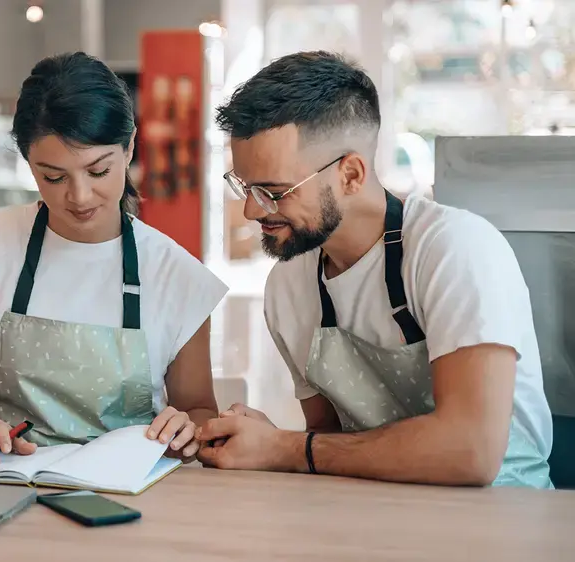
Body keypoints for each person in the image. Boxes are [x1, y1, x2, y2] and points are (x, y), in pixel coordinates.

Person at [196, 51, 553, 489]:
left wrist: (287, 447)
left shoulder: (453, 250)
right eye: (245, 187)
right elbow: (330, 448)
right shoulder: (288, 286)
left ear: (350, 174)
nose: (252, 210)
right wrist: (267, 439)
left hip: (503, 517)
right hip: (375, 515)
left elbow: (471, 452)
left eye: (274, 191)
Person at [0, 52, 228, 466]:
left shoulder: (178, 277)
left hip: (129, 497)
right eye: (54, 177)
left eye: (98, 171)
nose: (79, 197)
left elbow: (199, 411)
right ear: (29, 164)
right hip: (3, 481)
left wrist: (185, 431)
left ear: (129, 147)